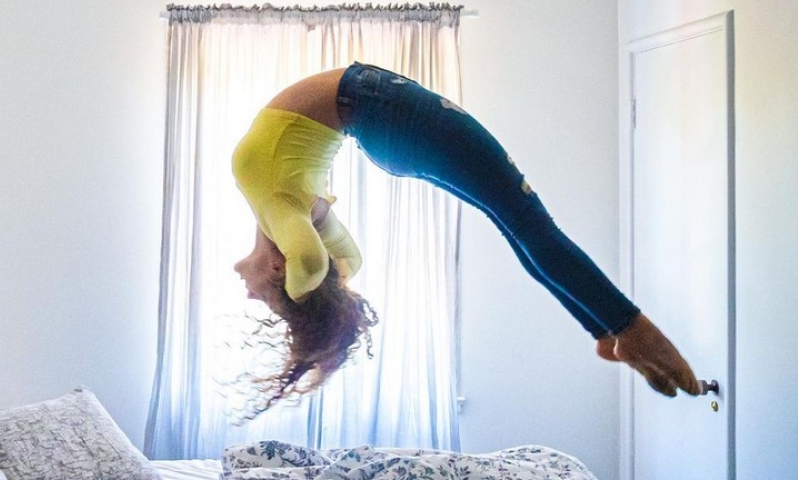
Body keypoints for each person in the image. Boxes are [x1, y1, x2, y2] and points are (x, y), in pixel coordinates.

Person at [231, 62, 701, 416]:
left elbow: (346, 261)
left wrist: (307, 306)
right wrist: (298, 301)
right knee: (530, 226)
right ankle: (631, 330)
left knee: (520, 226)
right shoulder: (285, 213)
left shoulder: (292, 214)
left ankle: (606, 331)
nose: (247, 289)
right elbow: (319, 266)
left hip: (384, 123)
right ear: (280, 268)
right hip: (387, 113)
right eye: (261, 297)